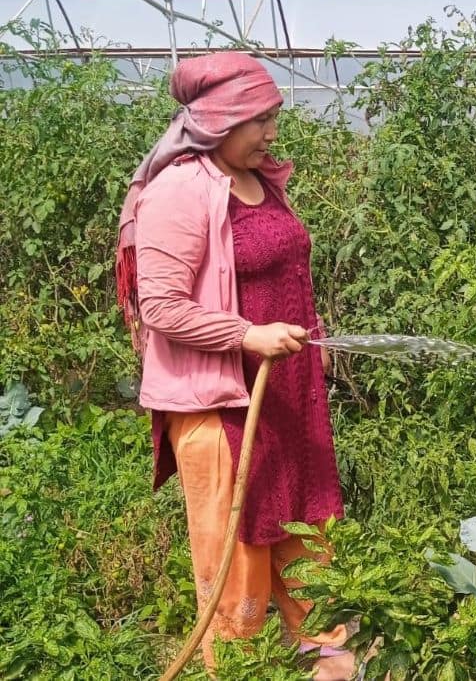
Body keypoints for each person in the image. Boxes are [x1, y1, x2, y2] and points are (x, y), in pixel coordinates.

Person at [115, 52, 355, 680]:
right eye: (261, 121)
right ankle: (242, 668)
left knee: (310, 551)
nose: (272, 132)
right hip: (225, 409)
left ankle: (328, 664)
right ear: (222, 120)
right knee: (238, 570)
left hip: (285, 399)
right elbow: (160, 305)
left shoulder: (258, 178)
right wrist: (249, 334)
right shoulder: (179, 190)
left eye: (274, 118)